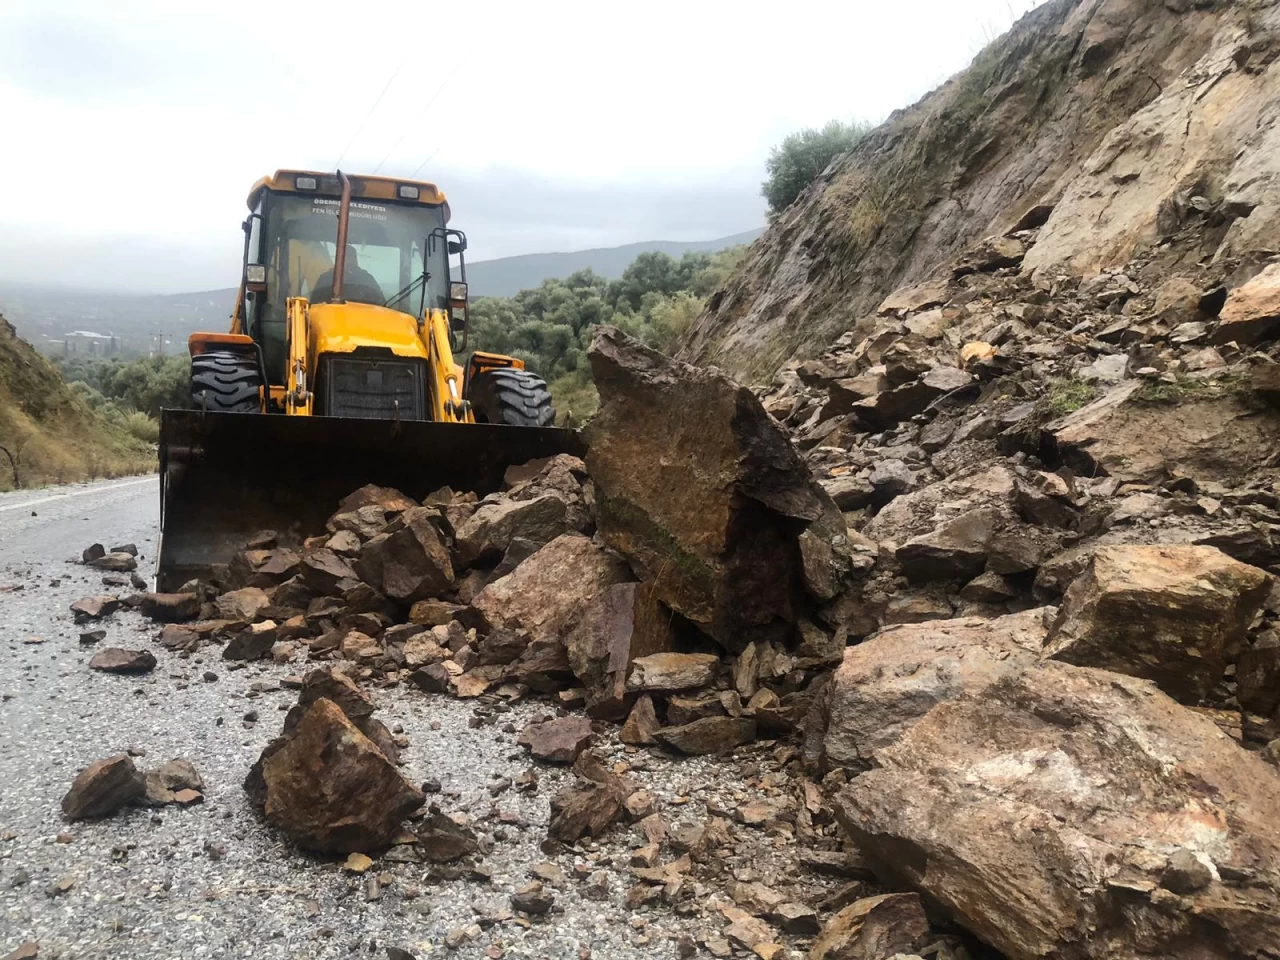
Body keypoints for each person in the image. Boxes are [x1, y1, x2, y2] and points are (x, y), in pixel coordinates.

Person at [309, 245, 384, 304]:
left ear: (355, 259)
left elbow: (381, 305)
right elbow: (314, 306)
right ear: (338, 258)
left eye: (351, 257)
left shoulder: (367, 279)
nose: (349, 260)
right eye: (346, 256)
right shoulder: (325, 279)